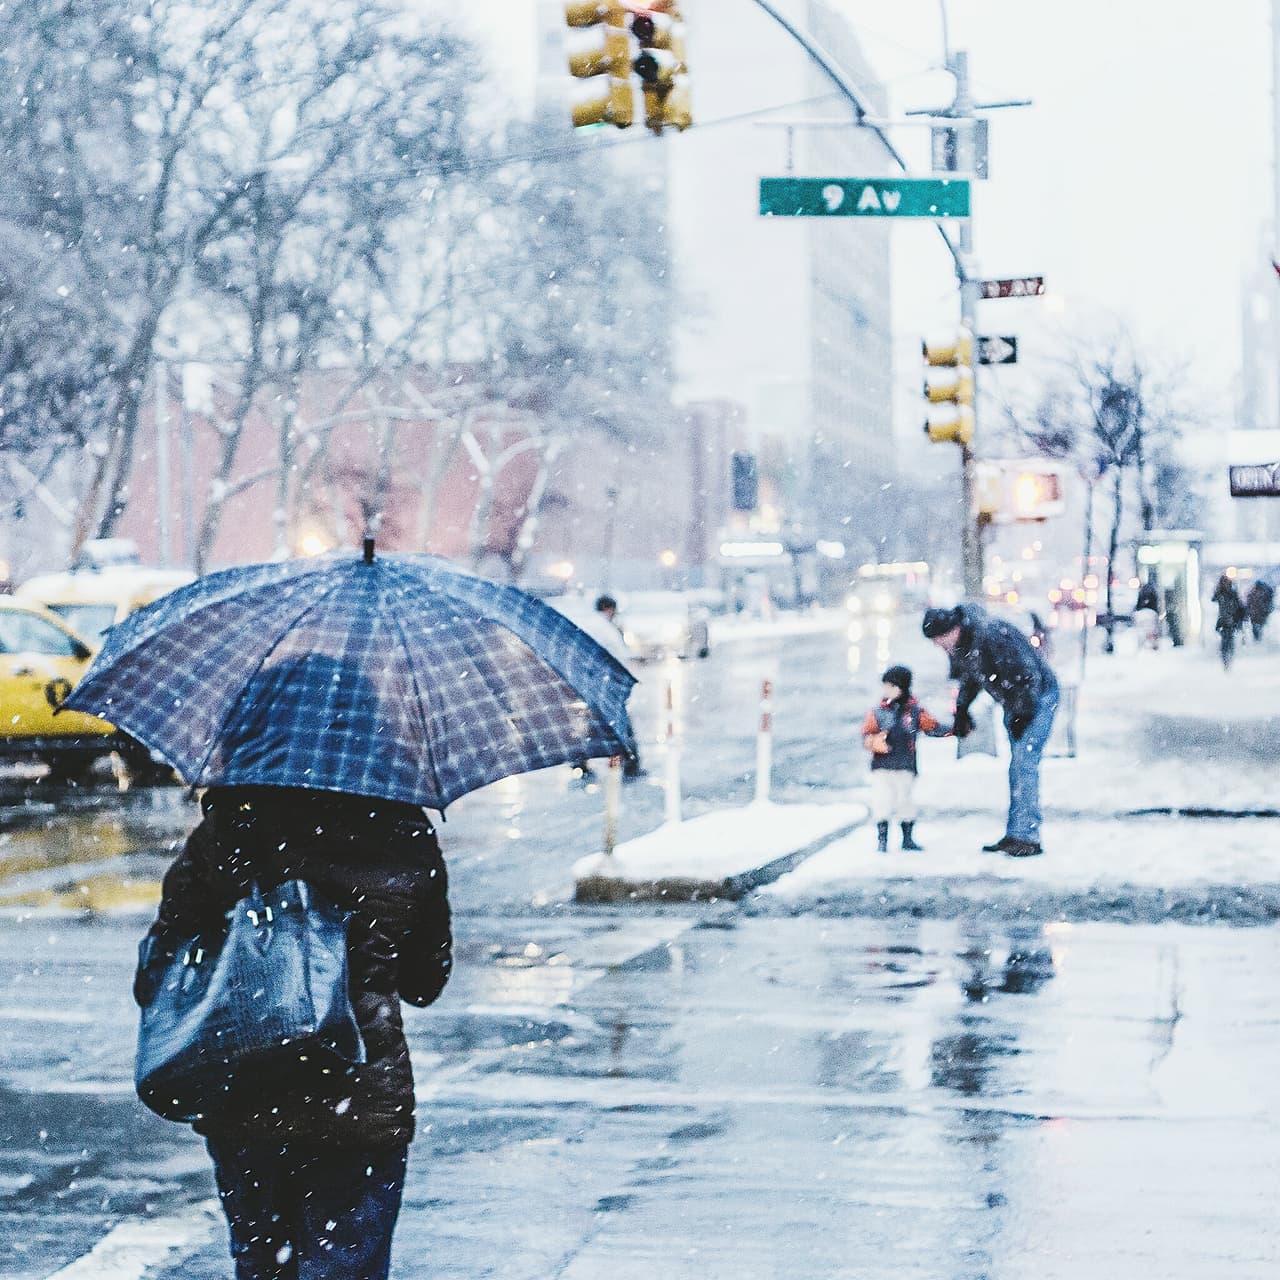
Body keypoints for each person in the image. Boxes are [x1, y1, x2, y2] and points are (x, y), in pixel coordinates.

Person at [135, 785, 453, 1279]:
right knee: (346, 1264)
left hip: (245, 1094)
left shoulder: (231, 828)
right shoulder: (404, 833)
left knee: (263, 1263)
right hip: (357, 1097)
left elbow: (161, 967)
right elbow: (425, 982)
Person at [922, 603, 1059, 858]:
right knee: (1017, 766)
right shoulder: (965, 644)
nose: (937, 645)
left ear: (952, 629)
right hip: (1016, 703)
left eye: (938, 639)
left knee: (1024, 764)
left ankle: (1028, 837)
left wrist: (1023, 714)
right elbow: (972, 678)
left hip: (1039, 697)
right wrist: (962, 709)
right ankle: (1017, 832)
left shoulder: (990, 634)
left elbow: (1026, 674)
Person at [860, 664, 952, 852]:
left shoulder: (915, 712)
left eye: (892, 686)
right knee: (882, 800)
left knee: (905, 801)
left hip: (905, 765)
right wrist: (873, 741)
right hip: (882, 766)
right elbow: (867, 733)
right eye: (885, 686)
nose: (887, 691)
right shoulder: (877, 712)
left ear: (902, 688)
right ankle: (882, 839)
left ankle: (907, 838)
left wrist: (952, 729)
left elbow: (931, 727)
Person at [573, 594, 644, 781]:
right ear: (609, 609)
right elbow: (619, 656)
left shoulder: (590, 625)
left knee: (591, 725)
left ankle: (579, 762)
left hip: (590, 685)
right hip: (607, 685)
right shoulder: (605, 629)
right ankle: (631, 764)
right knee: (621, 726)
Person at [1212, 573, 1245, 669]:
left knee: (1230, 641)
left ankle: (1229, 658)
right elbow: (1213, 599)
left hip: (1232, 621)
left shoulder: (1233, 593)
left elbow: (1239, 606)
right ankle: (1225, 659)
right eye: (1223, 582)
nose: (1225, 584)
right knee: (1224, 642)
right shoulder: (1220, 593)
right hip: (1223, 621)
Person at [1245, 578, 1274, 643]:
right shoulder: (1255, 593)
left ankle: (1257, 638)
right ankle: (1257, 638)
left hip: (1258, 613)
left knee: (1257, 626)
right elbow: (1248, 603)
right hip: (1258, 613)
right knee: (1257, 626)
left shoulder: (1254, 593)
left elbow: (1248, 603)